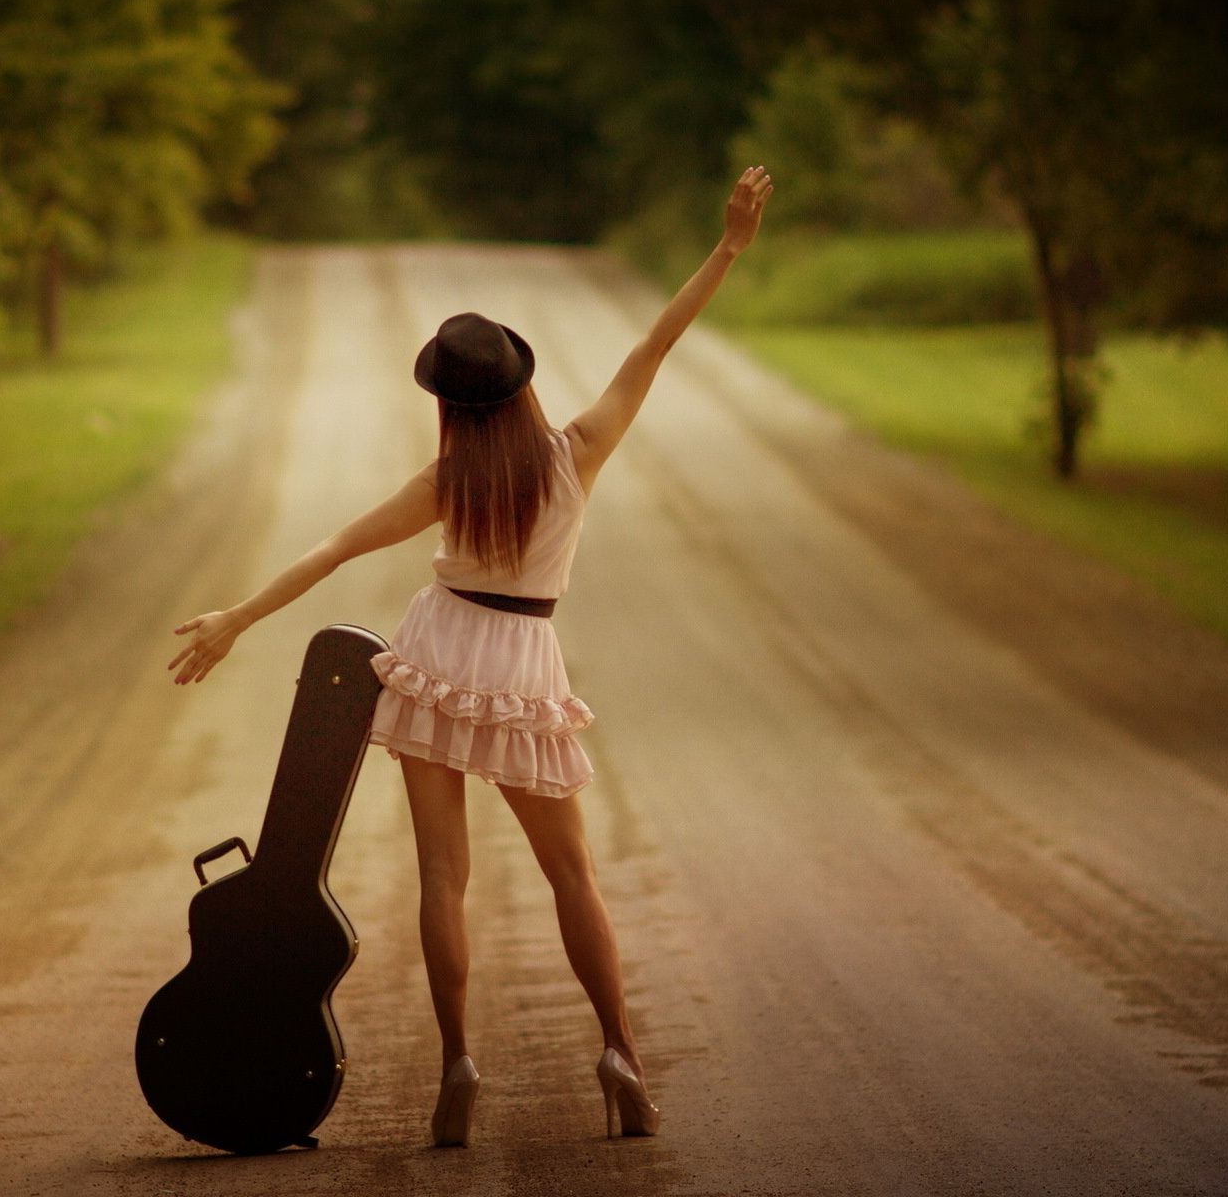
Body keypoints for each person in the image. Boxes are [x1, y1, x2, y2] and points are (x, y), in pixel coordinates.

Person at [166, 165, 774, 1147]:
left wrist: (237, 615)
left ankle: (457, 1058)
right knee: (572, 875)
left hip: (440, 650)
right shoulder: (577, 451)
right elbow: (656, 341)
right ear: (524, 385)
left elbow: (332, 549)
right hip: (526, 659)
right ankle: (619, 1050)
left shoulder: (446, 479)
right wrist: (731, 245)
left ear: (447, 404)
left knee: (442, 877)